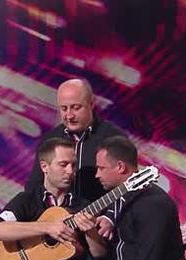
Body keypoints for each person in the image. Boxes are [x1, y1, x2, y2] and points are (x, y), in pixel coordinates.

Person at [26, 78, 126, 206]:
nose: (69, 116)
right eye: (64, 109)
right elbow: (33, 188)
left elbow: (126, 190)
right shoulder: (50, 140)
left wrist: (108, 216)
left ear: (91, 104)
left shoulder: (115, 139)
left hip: (99, 214)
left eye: (76, 108)